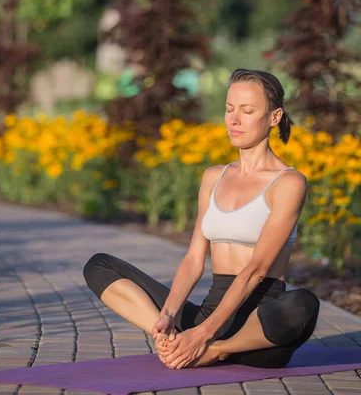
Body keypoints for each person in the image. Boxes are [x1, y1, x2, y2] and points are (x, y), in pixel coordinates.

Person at [83, 68, 320, 370]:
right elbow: (195, 259)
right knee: (99, 266)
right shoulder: (214, 177)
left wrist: (204, 336)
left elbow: (257, 270)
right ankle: (170, 341)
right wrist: (168, 316)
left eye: (247, 111)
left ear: (274, 117)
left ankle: (217, 351)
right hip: (209, 315)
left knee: (303, 305)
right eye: (229, 109)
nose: (233, 120)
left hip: (258, 329)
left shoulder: (289, 182)